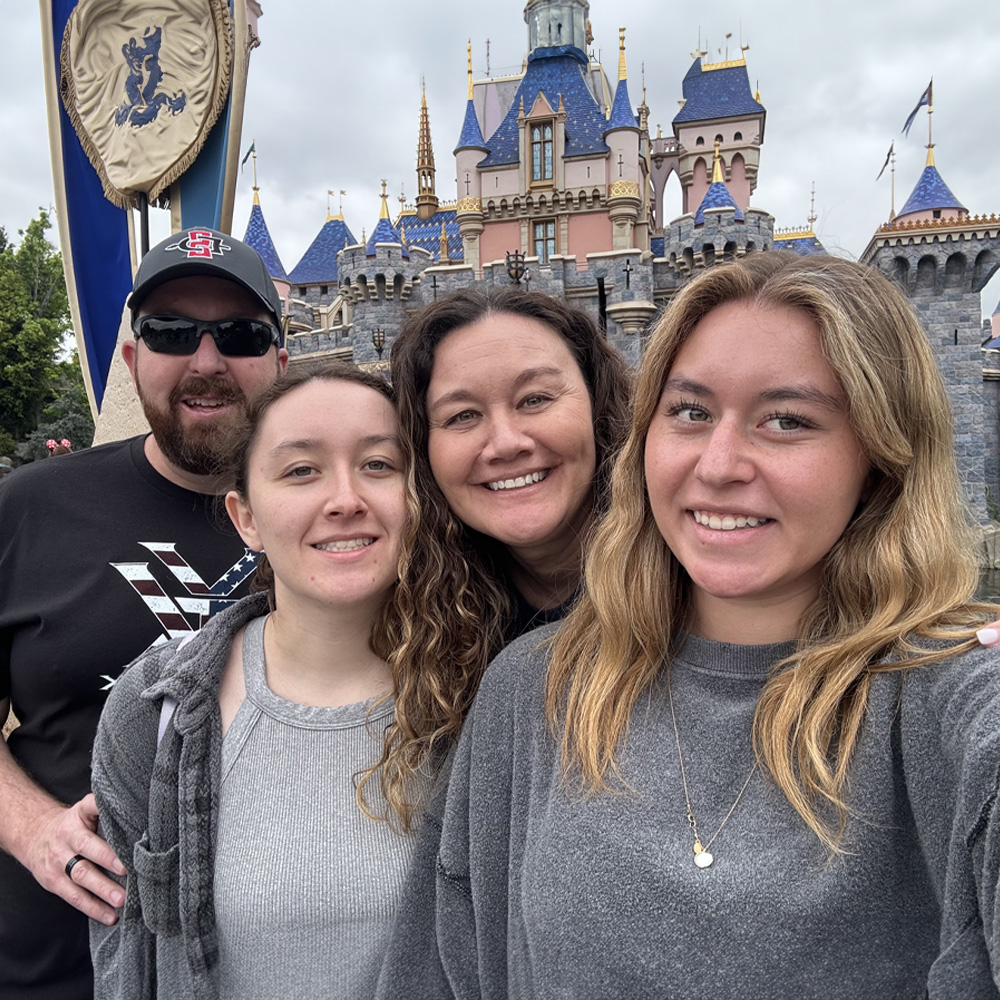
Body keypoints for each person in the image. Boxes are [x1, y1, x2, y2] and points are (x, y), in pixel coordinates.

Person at [410, 253, 1000, 997]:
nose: (719, 465)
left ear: (880, 457)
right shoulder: (531, 688)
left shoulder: (946, 698)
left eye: (787, 420)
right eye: (690, 411)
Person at [0, 227, 287, 1000]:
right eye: (169, 332)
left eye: (239, 334)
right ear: (133, 359)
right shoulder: (29, 509)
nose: (205, 360)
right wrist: (30, 829)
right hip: (56, 969)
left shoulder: (341, 525)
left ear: (280, 363)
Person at [90, 361, 424, 999]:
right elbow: (127, 957)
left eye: (379, 464)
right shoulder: (157, 709)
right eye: (301, 470)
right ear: (246, 518)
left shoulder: (485, 697)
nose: (346, 498)